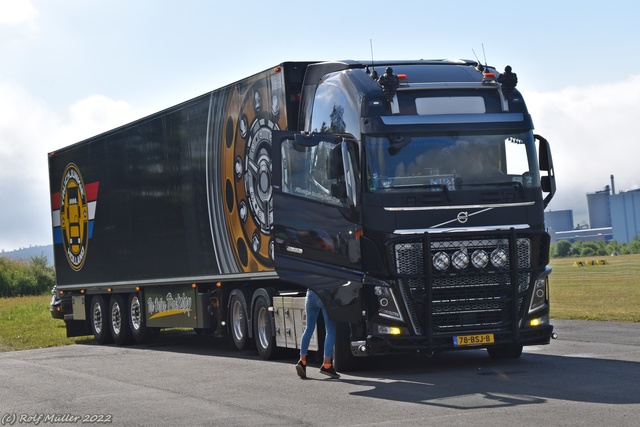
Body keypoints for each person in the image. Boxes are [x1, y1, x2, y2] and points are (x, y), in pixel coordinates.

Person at [295, 289, 340, 379]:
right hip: (324, 294)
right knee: (330, 331)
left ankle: (302, 361)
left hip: (310, 293)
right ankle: (326, 365)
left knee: (308, 329)